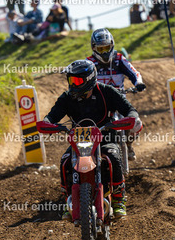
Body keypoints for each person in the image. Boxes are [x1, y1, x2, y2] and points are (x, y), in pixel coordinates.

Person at [41, 59, 141, 218]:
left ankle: (118, 199)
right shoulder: (67, 97)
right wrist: (47, 123)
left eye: (77, 81)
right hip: (79, 141)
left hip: (105, 137)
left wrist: (132, 117)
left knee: (113, 157)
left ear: (89, 79)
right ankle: (68, 199)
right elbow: (52, 115)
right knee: (65, 161)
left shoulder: (107, 92)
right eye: (71, 80)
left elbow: (128, 108)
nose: (73, 85)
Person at [86, 28, 145, 164]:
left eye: (107, 48)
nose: (104, 52)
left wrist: (139, 83)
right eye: (101, 49)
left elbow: (134, 72)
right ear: (94, 48)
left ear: (112, 45)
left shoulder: (119, 59)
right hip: (98, 103)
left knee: (136, 123)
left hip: (120, 100)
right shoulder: (89, 63)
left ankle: (129, 144)